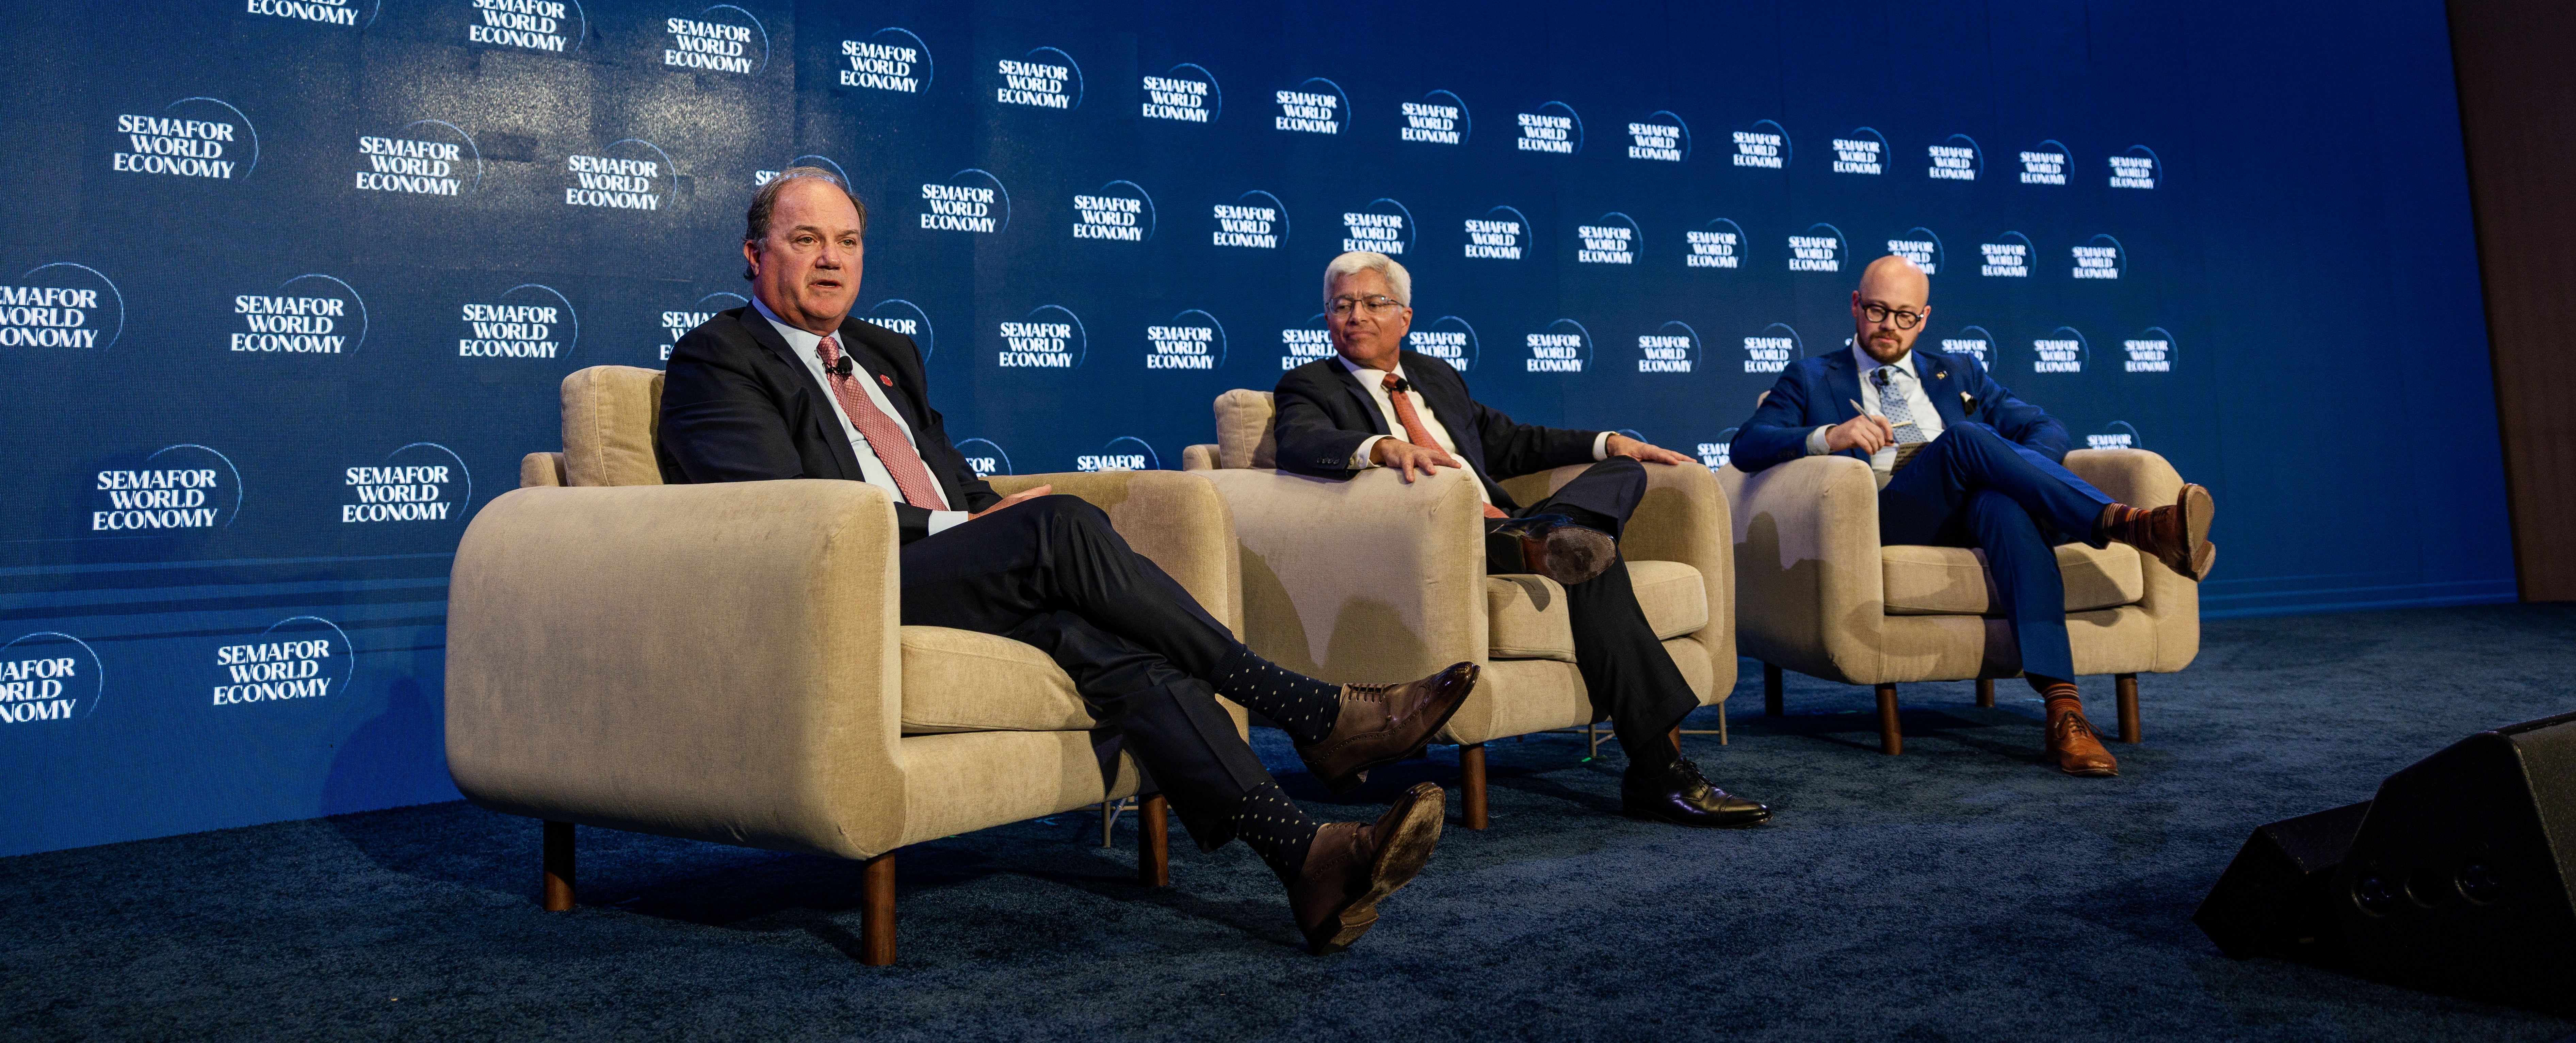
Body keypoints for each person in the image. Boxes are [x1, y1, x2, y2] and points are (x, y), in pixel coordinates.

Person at [659, 170, 1478, 952]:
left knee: (1104, 638)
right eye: (805, 238)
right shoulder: (716, 359)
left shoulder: (884, 351)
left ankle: (1307, 859)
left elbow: (946, 473)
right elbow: (785, 509)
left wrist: (983, 514)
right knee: (1055, 524)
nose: (831, 258)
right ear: (754, 253)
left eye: (847, 240)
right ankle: (1308, 708)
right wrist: (974, 525)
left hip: (941, 562)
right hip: (844, 581)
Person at [1274, 251, 1770, 828]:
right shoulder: (1309, 384)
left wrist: (1611, 442)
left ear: (1405, 317)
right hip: (1440, 538)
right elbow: (1300, 443)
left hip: (1507, 522)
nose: (1355, 314)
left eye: (1372, 302)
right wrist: (1379, 447)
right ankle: (1659, 771)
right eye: (1342, 304)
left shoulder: (1435, 376)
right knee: (1591, 555)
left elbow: (1513, 442)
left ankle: (1545, 537)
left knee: (1620, 480)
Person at [1732, 255, 2214, 777]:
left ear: (1924, 317)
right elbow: (1747, 445)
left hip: (1973, 509)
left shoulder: (1958, 371)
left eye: (1904, 315)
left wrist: (2022, 476)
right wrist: (1831, 435)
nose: (1888, 326)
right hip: (1888, 515)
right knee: (1966, 437)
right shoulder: (1808, 377)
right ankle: (2134, 526)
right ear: (1855, 304)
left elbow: (2044, 427)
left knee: (2003, 503)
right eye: (1876, 310)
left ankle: (2064, 713)